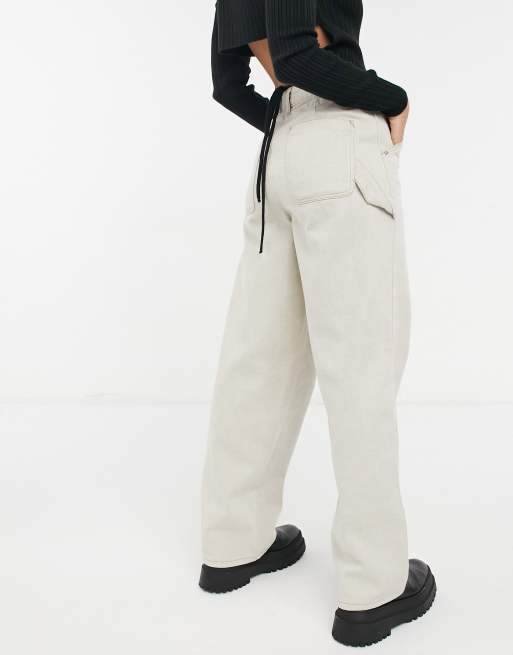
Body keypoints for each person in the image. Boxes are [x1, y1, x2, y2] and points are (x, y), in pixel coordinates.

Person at [199, 0, 436, 647]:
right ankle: (373, 586)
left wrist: (287, 130)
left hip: (278, 150)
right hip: (338, 133)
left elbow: (227, 83)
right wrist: (392, 98)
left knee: (258, 359)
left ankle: (232, 543)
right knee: (360, 366)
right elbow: (298, 51)